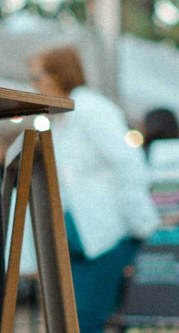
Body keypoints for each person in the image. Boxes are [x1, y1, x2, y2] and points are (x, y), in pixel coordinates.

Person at [27, 45, 160, 333]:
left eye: (38, 76)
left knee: (84, 320)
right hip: (83, 239)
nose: (33, 84)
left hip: (105, 238)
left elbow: (128, 164)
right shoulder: (64, 116)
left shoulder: (89, 108)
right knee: (75, 320)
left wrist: (139, 225)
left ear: (57, 74)